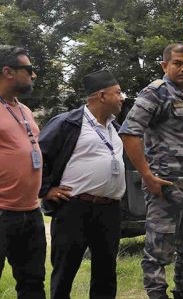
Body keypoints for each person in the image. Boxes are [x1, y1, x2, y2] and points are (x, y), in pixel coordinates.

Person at [119, 43, 183, 299]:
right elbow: (129, 133)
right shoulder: (155, 93)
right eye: (177, 63)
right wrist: (147, 176)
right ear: (164, 65)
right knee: (159, 252)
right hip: (164, 189)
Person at [38, 69, 126, 299]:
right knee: (65, 270)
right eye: (118, 93)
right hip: (74, 208)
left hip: (109, 210)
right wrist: (45, 189)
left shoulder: (115, 127)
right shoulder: (67, 123)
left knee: (106, 272)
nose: (122, 97)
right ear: (102, 95)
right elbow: (37, 155)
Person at [0, 45, 46, 299]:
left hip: (30, 212)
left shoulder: (25, 110)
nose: (33, 75)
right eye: (28, 69)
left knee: (33, 283)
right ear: (8, 71)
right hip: (2, 211)